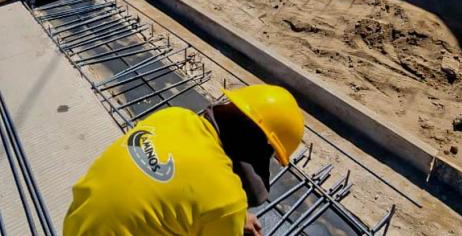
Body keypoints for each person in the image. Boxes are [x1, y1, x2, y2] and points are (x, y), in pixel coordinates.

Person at [63, 84, 305, 236]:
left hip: (75, 225)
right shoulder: (225, 201)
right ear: (258, 152)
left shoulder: (173, 115)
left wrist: (234, 216)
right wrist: (229, 218)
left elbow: (178, 190)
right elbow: (212, 197)